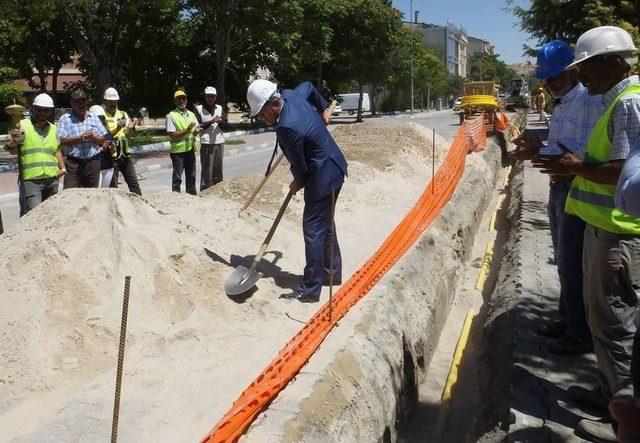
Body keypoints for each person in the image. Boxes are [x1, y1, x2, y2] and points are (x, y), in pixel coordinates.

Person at [533, 26, 639, 442]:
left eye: (587, 69)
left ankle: (623, 420)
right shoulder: (612, 100)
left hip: (619, 234)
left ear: (613, 64)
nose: (583, 78)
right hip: (605, 230)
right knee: (605, 320)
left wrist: (577, 168)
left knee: (616, 324)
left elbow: (625, 171)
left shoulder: (628, 104)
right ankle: (610, 394)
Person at [512, 40, 604, 355]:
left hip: (575, 189)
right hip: (558, 186)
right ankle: (567, 319)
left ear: (573, 71)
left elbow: (579, 152)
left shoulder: (589, 102)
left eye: (555, 77)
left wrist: (540, 150)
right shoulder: (563, 101)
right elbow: (560, 142)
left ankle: (578, 330)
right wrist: (539, 145)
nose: (549, 84)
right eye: (546, 79)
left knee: (570, 261)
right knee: (563, 259)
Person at [246, 80, 348, 303]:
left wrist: (297, 183)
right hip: (336, 167)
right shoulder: (291, 95)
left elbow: (301, 167)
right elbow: (309, 86)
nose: (263, 118)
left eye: (262, 113)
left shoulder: (286, 128)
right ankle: (332, 274)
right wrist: (322, 110)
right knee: (325, 224)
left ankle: (310, 289)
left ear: (273, 104)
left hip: (322, 176)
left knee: (313, 228)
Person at [6, 93, 66, 213]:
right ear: (33, 109)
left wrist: (63, 168)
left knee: (51, 215)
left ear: (50, 111)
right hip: (31, 180)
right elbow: (12, 150)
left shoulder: (54, 129)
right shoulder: (22, 125)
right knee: (33, 215)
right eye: (39, 109)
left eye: (46, 110)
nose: (43, 113)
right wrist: (15, 139)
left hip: (52, 178)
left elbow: (56, 150)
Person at [57, 91, 108, 188]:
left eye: (83, 101)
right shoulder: (65, 119)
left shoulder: (93, 117)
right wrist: (79, 138)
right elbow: (60, 140)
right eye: (77, 102)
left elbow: (103, 139)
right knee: (70, 193)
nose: (81, 104)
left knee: (91, 194)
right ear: (72, 103)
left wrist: (93, 138)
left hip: (92, 162)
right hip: (73, 164)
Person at [102, 87, 141, 195]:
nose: (113, 104)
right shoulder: (102, 116)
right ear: (105, 101)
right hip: (111, 156)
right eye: (110, 101)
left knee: (134, 184)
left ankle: (141, 206)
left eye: (115, 101)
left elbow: (130, 134)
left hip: (125, 155)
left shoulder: (123, 114)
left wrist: (131, 127)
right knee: (113, 188)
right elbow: (103, 137)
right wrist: (118, 128)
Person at [166, 90, 200, 195]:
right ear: (175, 101)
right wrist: (187, 130)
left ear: (186, 100)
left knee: (191, 175)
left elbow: (193, 132)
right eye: (178, 99)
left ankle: (192, 195)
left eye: (183, 98)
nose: (181, 101)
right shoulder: (171, 115)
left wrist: (196, 132)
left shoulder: (191, 114)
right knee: (177, 176)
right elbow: (172, 134)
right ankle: (176, 196)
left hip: (189, 149)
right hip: (178, 152)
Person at [194, 86, 227, 191]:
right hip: (206, 143)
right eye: (208, 96)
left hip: (219, 141)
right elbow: (198, 126)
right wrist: (211, 122)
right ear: (205, 96)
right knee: (207, 170)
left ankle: (218, 190)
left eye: (212, 96)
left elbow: (226, 126)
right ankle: (205, 190)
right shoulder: (198, 109)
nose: (210, 98)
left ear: (215, 97)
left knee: (218, 169)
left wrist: (221, 122)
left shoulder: (220, 108)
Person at [88, 104, 117, 188]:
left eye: (102, 118)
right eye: (97, 118)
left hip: (108, 166)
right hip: (96, 168)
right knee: (97, 192)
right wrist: (101, 148)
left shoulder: (105, 130)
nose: (100, 120)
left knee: (106, 191)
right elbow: (88, 152)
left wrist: (112, 147)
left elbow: (112, 149)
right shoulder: (89, 132)